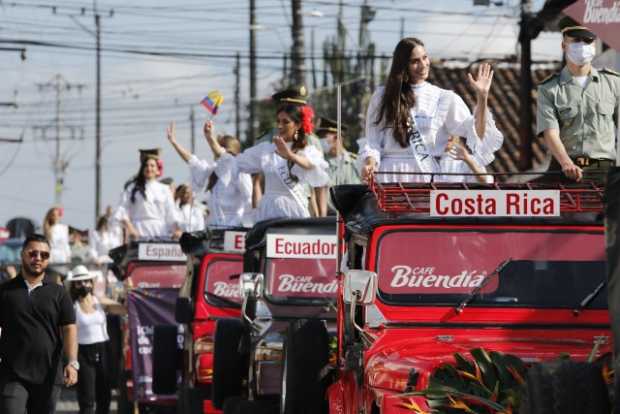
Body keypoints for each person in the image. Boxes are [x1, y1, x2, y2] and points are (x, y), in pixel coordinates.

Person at [360, 37, 503, 183]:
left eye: (425, 58)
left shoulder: (444, 98)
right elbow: (373, 141)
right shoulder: (382, 96)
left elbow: (477, 134)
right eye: (415, 61)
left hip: (427, 176)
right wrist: (370, 163)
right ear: (403, 65)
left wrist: (482, 97)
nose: (423, 65)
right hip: (389, 175)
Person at [207, 104, 330, 222]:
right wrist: (211, 139)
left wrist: (291, 156)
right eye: (278, 121)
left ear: (297, 125)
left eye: (285, 122)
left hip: (294, 210)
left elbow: (312, 166)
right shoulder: (266, 150)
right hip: (270, 210)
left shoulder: (305, 151)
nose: (280, 126)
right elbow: (235, 161)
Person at [0, 234, 78, 413]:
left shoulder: (59, 293)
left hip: (48, 376)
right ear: (22, 254)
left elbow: (69, 328)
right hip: (12, 375)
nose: (38, 259)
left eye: (44, 255)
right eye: (33, 253)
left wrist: (72, 362)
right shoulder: (5, 291)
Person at [537, 18, 620, 182]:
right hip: (565, 170)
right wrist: (566, 162)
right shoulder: (549, 89)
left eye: (587, 41)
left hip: (604, 171)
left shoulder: (614, 83)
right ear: (563, 45)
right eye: (576, 40)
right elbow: (550, 132)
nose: (582, 45)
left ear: (594, 46)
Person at [166, 121, 253, 228]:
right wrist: (174, 142)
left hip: (233, 228)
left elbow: (249, 200)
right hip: (213, 229)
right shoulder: (212, 170)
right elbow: (192, 160)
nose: (214, 150)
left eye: (219, 146)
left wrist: (209, 137)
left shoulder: (240, 171)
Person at [67, 265, 124, 414]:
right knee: (87, 398)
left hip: (103, 349)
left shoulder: (99, 301)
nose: (84, 285)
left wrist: (128, 290)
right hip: (83, 352)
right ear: (74, 285)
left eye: (86, 281)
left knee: (105, 396)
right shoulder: (72, 307)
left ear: (91, 283)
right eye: (79, 283)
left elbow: (123, 309)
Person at [113, 152, 183, 240]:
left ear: (157, 170)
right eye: (146, 165)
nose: (149, 168)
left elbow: (171, 212)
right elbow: (122, 209)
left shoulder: (164, 189)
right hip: (138, 233)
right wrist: (130, 228)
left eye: (152, 166)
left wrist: (176, 229)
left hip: (160, 233)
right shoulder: (132, 188)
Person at [316, 117, 361, 187]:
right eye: (320, 137)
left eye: (323, 136)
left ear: (336, 137)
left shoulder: (355, 162)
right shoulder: (318, 162)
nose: (320, 140)